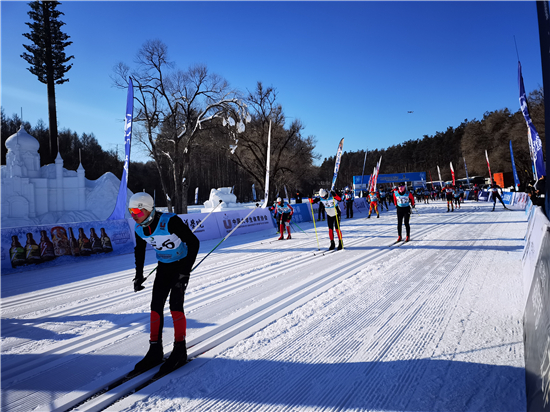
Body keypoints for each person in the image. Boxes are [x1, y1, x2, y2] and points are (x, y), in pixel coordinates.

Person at [129, 192, 200, 377]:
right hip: (164, 267)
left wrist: (185, 272)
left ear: (147, 209)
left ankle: (179, 350)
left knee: (175, 305)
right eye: (130, 211)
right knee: (155, 306)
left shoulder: (169, 221)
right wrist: (138, 276)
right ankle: (155, 350)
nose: (133, 214)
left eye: (136, 210)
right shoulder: (139, 228)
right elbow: (139, 251)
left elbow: (193, 242)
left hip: (180, 265)